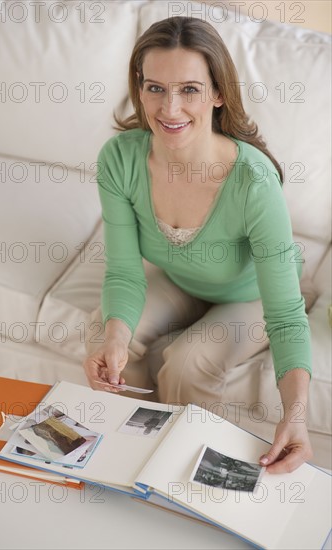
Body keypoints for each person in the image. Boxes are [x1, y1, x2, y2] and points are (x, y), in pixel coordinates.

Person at [83, 16, 313, 474]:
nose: (169, 108)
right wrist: (115, 339)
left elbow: (285, 316)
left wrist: (296, 416)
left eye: (189, 89)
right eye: (155, 88)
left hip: (249, 296)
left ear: (218, 93)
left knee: (187, 363)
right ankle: (123, 466)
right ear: (139, 88)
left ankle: (189, 482)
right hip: (178, 278)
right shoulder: (120, 158)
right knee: (103, 338)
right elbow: (124, 273)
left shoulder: (253, 182)